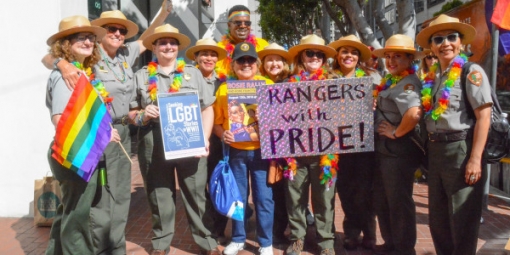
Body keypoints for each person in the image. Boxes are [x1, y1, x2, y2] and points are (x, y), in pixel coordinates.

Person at [41, 4, 171, 254]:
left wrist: (164, 11)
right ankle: (99, 248)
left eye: (122, 30)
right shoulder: (86, 57)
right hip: (94, 137)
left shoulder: (124, 53)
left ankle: (113, 247)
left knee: (114, 197)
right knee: (88, 203)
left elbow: (146, 38)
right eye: (111, 29)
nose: (117, 34)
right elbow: (48, 59)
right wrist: (61, 63)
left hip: (120, 132)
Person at [130, 24, 220, 255]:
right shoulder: (141, 76)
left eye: (172, 42)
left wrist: (206, 137)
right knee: (159, 193)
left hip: (189, 140)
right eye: (162, 42)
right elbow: (131, 113)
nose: (168, 46)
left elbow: (207, 108)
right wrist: (142, 114)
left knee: (196, 192)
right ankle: (160, 243)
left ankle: (206, 241)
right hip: (153, 140)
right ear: (154, 47)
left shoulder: (194, 73)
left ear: (178, 47)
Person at [416, 14, 492, 255]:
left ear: (460, 42)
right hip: (436, 151)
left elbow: (484, 117)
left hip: (461, 149)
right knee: (438, 219)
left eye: (451, 37)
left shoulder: (471, 71)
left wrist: (475, 158)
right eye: (439, 39)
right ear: (431, 46)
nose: (445, 43)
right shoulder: (433, 77)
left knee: (463, 218)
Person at [44, 15, 111, 255]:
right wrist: (100, 134)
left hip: (80, 150)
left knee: (69, 212)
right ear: (65, 44)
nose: (88, 41)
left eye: (91, 37)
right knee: (77, 218)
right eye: (80, 38)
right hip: (74, 151)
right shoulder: (66, 76)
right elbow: (60, 120)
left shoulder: (81, 72)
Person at [212, 42, 274, 255]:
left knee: (264, 198)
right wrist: (224, 134)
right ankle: (238, 238)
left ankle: (266, 242)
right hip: (236, 151)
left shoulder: (268, 85)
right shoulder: (223, 90)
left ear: (257, 64)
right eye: (241, 60)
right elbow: (217, 122)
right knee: (237, 196)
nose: (246, 64)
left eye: (250, 60)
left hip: (262, 152)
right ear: (234, 65)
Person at [371, 34, 424, 255]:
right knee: (384, 199)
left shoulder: (408, 83)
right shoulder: (393, 80)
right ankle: (391, 243)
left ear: (410, 59)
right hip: (386, 152)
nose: (391, 61)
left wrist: (395, 132)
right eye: (388, 56)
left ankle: (404, 248)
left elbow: (413, 113)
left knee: (399, 202)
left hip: (398, 153)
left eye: (397, 56)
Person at [284, 34, 337, 255]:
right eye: (310, 53)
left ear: (324, 59)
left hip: (325, 152)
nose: (314, 57)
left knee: (324, 198)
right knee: (295, 197)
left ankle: (326, 242)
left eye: (319, 54)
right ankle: (298, 238)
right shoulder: (287, 85)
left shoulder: (335, 83)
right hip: (296, 152)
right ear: (301, 57)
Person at [327, 34, 377, 251]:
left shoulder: (372, 78)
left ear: (359, 57)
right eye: (345, 51)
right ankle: (351, 233)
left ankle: (369, 233)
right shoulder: (327, 79)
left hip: (365, 143)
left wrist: (375, 105)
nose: (349, 56)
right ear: (337, 56)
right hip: (338, 145)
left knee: (365, 191)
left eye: (354, 52)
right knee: (346, 191)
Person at [185, 37, 229, 243]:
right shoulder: (183, 78)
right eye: (204, 54)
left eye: (212, 54)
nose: (208, 58)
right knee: (198, 185)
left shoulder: (224, 81)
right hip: (193, 140)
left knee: (217, 183)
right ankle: (206, 227)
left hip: (219, 141)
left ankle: (218, 228)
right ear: (196, 57)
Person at [257, 42, 291, 244]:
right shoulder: (255, 83)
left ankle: (287, 228)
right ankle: (276, 232)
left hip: (287, 146)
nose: (274, 63)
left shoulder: (292, 83)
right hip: (261, 146)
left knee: (287, 190)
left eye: (278, 59)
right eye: (269, 59)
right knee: (271, 191)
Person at [216, 4, 269, 73]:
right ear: (229, 25)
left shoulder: (262, 45)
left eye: (247, 23)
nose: (243, 26)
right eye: (238, 23)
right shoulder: (219, 49)